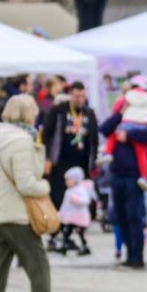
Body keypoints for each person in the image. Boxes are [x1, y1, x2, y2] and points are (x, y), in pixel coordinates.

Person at [0, 95, 67, 292]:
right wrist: (45, 187)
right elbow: (26, 184)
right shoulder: (20, 141)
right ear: (26, 114)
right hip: (17, 216)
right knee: (39, 268)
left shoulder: (0, 138)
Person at [98, 82, 147, 270]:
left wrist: (129, 134)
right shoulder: (122, 112)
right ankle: (128, 253)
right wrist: (120, 114)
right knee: (120, 216)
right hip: (117, 173)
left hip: (134, 175)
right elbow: (105, 129)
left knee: (134, 216)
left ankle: (137, 257)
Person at [41, 81, 98, 209]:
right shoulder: (58, 110)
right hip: (61, 160)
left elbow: (94, 138)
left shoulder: (89, 113)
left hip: (81, 161)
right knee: (58, 193)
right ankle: (59, 221)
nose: (80, 99)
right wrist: (48, 157)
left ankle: (77, 224)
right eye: (77, 96)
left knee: (80, 194)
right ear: (70, 95)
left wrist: (93, 160)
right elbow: (47, 134)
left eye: (83, 96)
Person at [55, 167, 96, 256]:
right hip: (70, 217)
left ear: (76, 180)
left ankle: (85, 246)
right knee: (66, 232)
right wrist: (61, 214)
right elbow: (65, 205)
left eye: (68, 180)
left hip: (79, 217)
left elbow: (86, 200)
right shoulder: (68, 191)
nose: (66, 182)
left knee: (80, 233)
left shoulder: (80, 190)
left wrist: (77, 200)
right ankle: (64, 245)